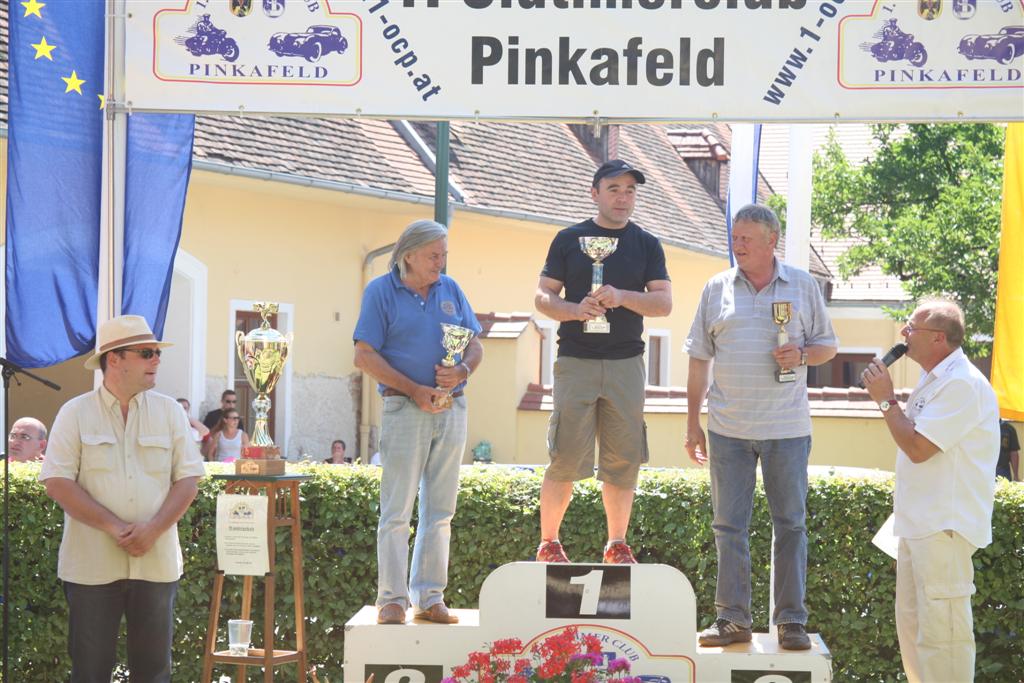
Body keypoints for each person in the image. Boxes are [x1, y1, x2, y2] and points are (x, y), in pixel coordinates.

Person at [684, 204, 838, 651]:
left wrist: (804, 355)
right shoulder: (716, 288)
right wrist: (692, 422)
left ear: (773, 241)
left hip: (787, 429)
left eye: (747, 239)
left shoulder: (803, 284)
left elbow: (828, 345)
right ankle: (732, 619)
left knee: (790, 525)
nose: (738, 245)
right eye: (735, 238)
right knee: (728, 527)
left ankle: (790, 621)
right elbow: (698, 359)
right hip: (727, 430)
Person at [39, 315, 206, 682]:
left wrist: (153, 530)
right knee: (91, 672)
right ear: (114, 359)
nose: (156, 361)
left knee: (153, 673)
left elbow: (189, 479)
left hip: (156, 563)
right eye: (147, 353)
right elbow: (57, 482)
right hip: (91, 566)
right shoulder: (75, 412)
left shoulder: (170, 412)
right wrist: (116, 528)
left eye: (156, 353)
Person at [534, 159, 672, 565]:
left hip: (627, 362)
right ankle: (549, 544)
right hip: (576, 359)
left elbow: (663, 303)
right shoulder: (568, 239)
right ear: (594, 193)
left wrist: (624, 296)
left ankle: (616, 544)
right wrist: (576, 310)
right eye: (614, 189)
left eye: (630, 190)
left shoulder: (647, 244)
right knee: (565, 455)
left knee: (623, 458)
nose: (623, 197)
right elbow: (542, 297)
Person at [354, 219, 483, 626]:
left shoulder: (452, 289)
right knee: (397, 509)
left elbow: (475, 342)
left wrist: (462, 370)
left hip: (452, 407)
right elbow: (364, 356)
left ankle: (429, 597)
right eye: (433, 255)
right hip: (404, 408)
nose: (440, 262)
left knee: (441, 510)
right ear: (408, 254)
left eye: (444, 255)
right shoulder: (380, 291)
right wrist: (414, 390)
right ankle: (391, 599)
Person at [862, 299, 999, 682]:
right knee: (916, 634)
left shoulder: (962, 384)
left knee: (945, 639)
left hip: (944, 528)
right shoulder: (935, 378)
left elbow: (918, 448)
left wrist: (886, 400)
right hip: (920, 527)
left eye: (911, 329)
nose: (903, 336)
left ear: (939, 338)